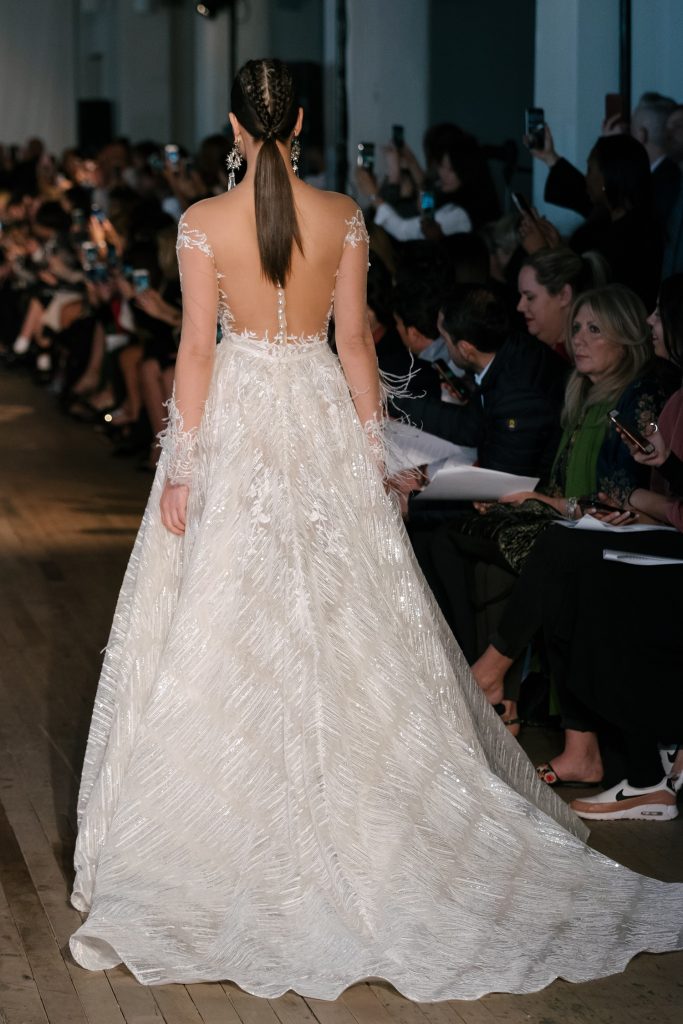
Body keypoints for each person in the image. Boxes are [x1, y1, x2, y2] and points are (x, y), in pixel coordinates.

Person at [68, 58, 683, 999]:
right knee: (343, 619)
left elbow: (195, 351)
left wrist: (180, 467)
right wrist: (372, 457)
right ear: (300, 124)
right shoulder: (342, 216)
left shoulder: (203, 222)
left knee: (226, 618)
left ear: (234, 128)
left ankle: (229, 819)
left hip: (241, 426)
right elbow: (355, 343)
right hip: (316, 419)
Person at [472, 274, 683, 808]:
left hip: (646, 536)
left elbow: (620, 494)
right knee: (514, 541)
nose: (580, 339)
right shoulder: (589, 397)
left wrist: (641, 498)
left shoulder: (647, 395)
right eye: (579, 328)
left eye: (596, 329)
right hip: (626, 527)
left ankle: (491, 675)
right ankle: (579, 745)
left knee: (561, 553)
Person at [517, 246, 607, 360]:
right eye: (520, 296)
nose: (520, 307)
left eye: (530, 297)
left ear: (564, 295)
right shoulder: (539, 352)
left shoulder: (582, 360)